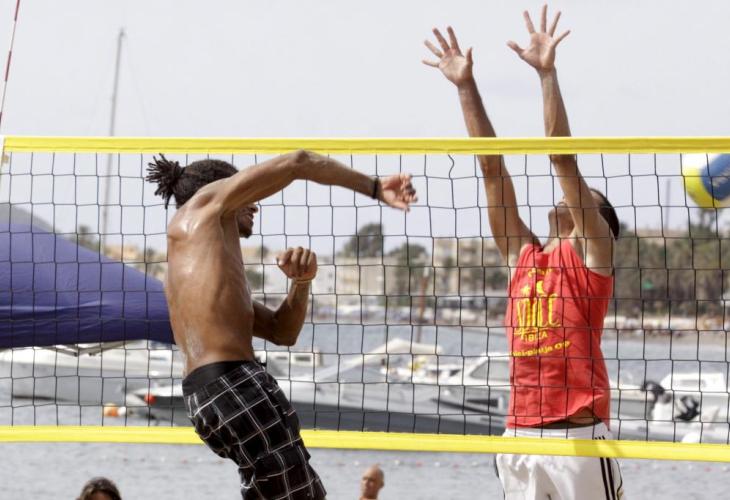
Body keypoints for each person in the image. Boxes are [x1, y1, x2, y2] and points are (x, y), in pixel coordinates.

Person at [424, 6, 624, 499]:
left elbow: (563, 160)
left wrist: (547, 74)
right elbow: (492, 171)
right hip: (518, 435)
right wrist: (465, 86)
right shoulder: (524, 257)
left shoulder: (592, 254)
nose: (569, 199)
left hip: (577, 437)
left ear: (597, 220)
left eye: (586, 200)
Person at [146, 150, 416, 499]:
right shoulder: (202, 207)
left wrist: (301, 283)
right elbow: (298, 161)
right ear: (222, 189)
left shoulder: (200, 264)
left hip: (216, 391)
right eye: (246, 191)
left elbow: (282, 332)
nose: (255, 204)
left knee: (299, 490)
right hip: (230, 384)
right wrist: (375, 187)